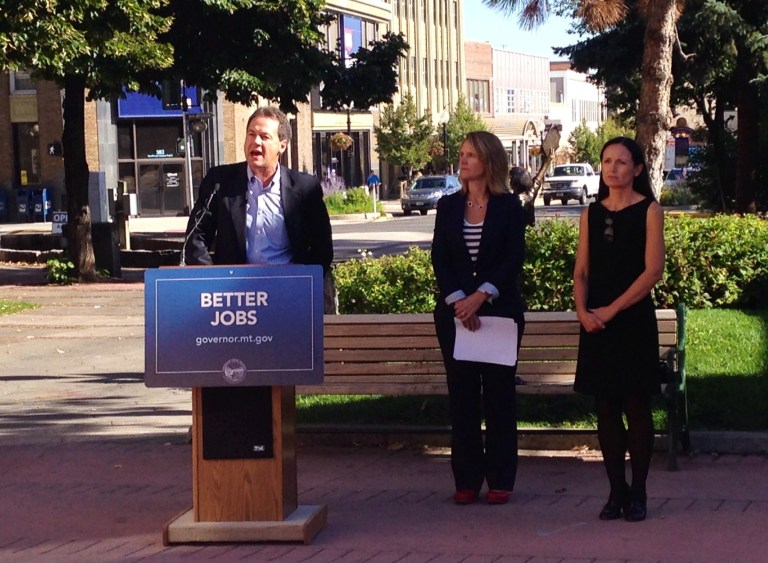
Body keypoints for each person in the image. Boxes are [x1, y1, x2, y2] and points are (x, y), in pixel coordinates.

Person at [431, 131, 526, 505]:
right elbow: (441, 257)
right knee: (463, 398)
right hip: (456, 316)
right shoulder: (448, 206)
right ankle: (466, 479)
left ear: (488, 161)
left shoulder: (509, 207)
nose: (463, 160)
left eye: (471, 155)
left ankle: (501, 478)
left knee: (500, 397)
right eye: (462, 154)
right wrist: (459, 301)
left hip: (498, 314)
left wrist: (481, 295)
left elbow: (512, 258)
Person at [573, 136, 665, 522]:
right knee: (605, 408)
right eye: (607, 161)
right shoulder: (590, 213)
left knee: (636, 406)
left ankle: (639, 493)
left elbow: (653, 271)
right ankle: (616, 492)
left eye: (622, 162)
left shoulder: (649, 210)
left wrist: (611, 309)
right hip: (596, 323)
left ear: (638, 169)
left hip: (631, 320)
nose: (613, 168)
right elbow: (581, 271)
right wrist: (582, 310)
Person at [183, 106, 333, 273]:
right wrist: (212, 278)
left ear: (282, 145)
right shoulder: (219, 182)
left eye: (264, 137)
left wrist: (303, 281)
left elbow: (322, 248)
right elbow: (196, 236)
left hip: (287, 287)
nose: (256, 142)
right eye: (251, 134)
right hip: (234, 290)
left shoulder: (305, 188)